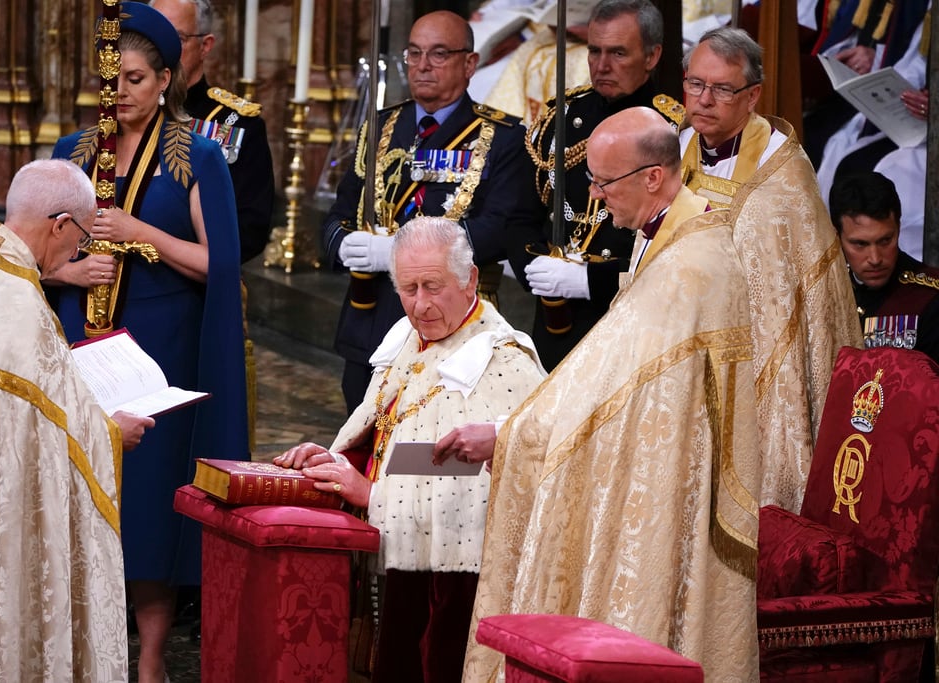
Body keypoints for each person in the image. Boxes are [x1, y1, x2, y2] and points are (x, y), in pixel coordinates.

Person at [462, 107, 761, 682]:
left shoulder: (693, 266)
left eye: (604, 182)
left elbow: (619, 388)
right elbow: (606, 368)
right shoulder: (667, 234)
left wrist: (512, 435)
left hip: (667, 481)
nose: (596, 197)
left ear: (653, 177)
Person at [45, 5, 248, 682]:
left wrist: (141, 232)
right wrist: (68, 270)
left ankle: (153, 657)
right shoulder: (72, 152)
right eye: (111, 80)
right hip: (81, 338)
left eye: (134, 78)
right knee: (81, 488)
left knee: (148, 505)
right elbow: (36, 251)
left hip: (160, 349)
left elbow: (218, 263)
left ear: (166, 79)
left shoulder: (199, 155)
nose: (120, 93)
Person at [275, 216, 545, 683]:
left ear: (471, 280)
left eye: (433, 286)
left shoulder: (504, 360)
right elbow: (385, 432)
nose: (420, 305)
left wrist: (369, 494)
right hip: (400, 562)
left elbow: (472, 495)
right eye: (408, 288)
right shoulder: (405, 336)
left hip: (455, 583)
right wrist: (335, 459)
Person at [0, 159, 154, 682]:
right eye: (82, 238)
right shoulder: (18, 307)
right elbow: (58, 433)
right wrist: (113, 432)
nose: (78, 252)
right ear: (60, 224)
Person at [322, 10, 544, 414]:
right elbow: (339, 212)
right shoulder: (381, 125)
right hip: (370, 309)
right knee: (360, 436)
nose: (423, 66)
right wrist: (345, 243)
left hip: (451, 318)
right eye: (415, 53)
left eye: (439, 54)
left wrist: (397, 253)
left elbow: (500, 229)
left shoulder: (502, 138)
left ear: (470, 63)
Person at [679, 26, 862, 511]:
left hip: (751, 353)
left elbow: (784, 292)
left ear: (753, 95)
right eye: (695, 84)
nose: (703, 100)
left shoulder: (782, 174)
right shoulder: (677, 150)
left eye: (721, 89)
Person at [514, 0, 684, 370]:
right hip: (555, 322)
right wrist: (535, 269)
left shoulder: (672, 133)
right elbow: (522, 214)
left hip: (629, 320)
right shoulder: (562, 118)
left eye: (618, 53)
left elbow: (676, 248)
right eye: (595, 51)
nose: (602, 66)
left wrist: (591, 280)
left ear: (652, 56)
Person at [149, 0, 275, 263]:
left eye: (177, 38)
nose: (162, 51)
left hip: (200, 283)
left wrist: (166, 248)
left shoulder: (239, 124)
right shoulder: (127, 113)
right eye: (154, 37)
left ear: (205, 46)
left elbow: (250, 230)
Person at [816, 3, 929, 261]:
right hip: (918, 124)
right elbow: (915, 61)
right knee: (839, 149)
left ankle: (910, 277)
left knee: (890, 171)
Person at [830, 172, 939, 363]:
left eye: (885, 241)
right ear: (836, 236)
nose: (875, 258)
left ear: (898, 227)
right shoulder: (825, 295)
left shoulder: (929, 297)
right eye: (860, 244)